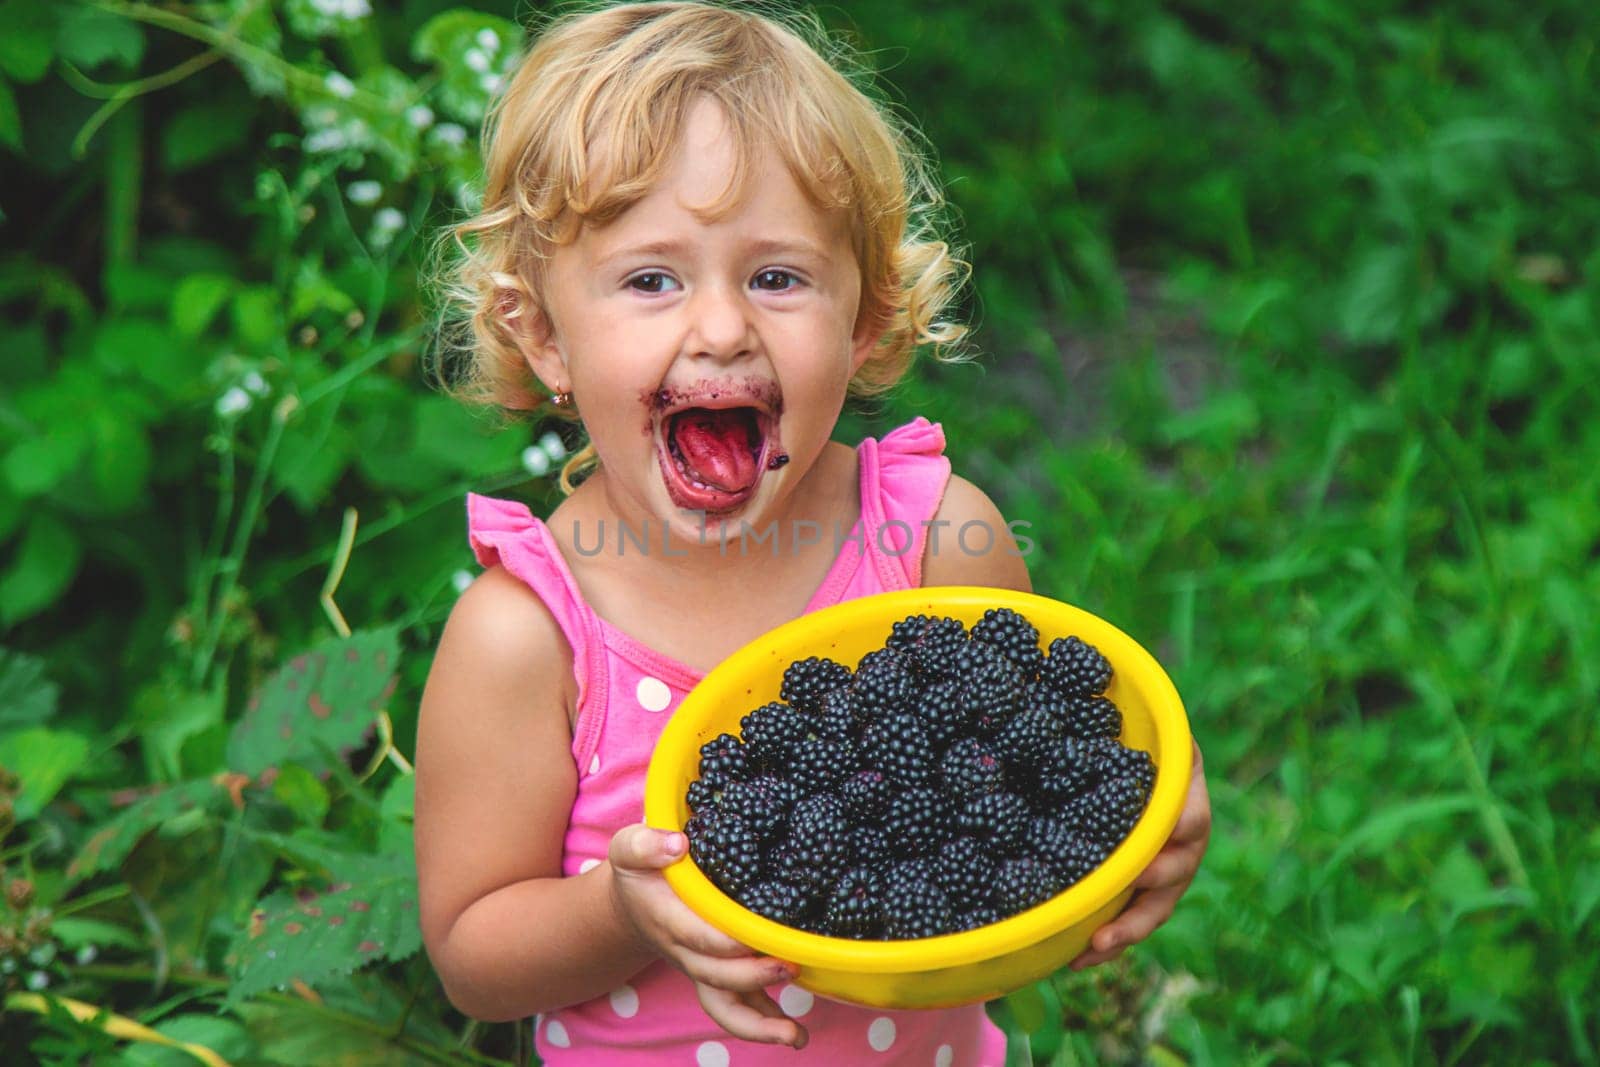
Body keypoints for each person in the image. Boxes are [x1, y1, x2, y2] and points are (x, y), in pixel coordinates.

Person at [414, 3, 1212, 1063]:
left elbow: (1062, 754)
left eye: (777, 276)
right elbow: (471, 949)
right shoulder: (526, 637)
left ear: (866, 321)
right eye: (652, 279)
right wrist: (619, 910)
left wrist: (1151, 795)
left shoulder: (936, 541)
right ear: (545, 337)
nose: (721, 326)